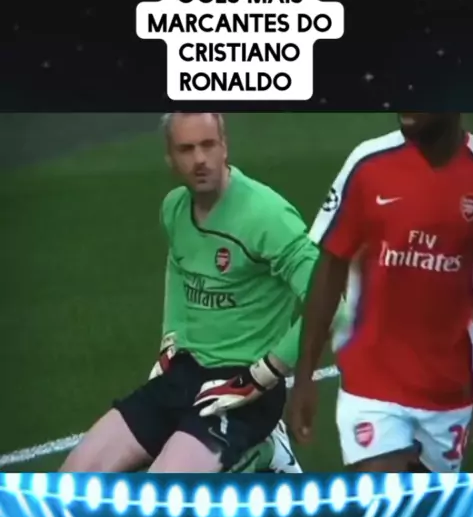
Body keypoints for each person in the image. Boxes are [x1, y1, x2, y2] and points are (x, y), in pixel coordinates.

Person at [60, 112, 318, 473]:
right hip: (184, 374)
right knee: (73, 477)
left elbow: (332, 304)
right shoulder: (175, 208)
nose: (199, 159)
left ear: (224, 147)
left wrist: (262, 375)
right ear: (170, 158)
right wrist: (171, 337)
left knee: (161, 495)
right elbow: (178, 266)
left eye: (208, 145)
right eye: (186, 149)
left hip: (244, 387)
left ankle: (264, 447)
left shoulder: (267, 216)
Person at [290, 112, 473, 472]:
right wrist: (305, 376)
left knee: (427, 508)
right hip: (371, 383)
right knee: (381, 495)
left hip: (448, 389)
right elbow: (330, 268)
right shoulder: (368, 164)